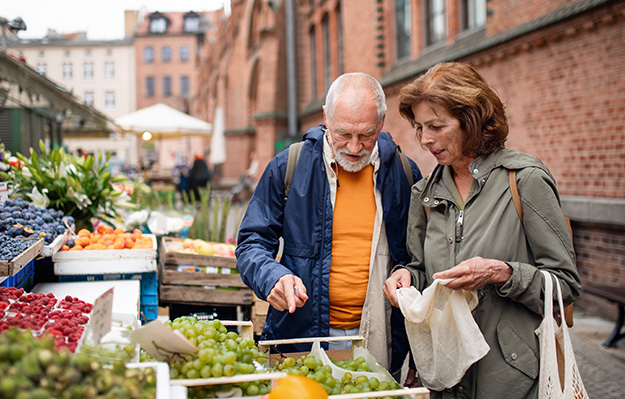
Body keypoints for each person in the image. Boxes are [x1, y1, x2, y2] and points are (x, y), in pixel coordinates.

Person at [382, 62, 582, 398]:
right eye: (419, 127)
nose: (425, 139)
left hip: (513, 381)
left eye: (436, 126)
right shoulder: (424, 194)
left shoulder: (525, 180)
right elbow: (423, 271)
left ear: (471, 120)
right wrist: (405, 278)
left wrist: (501, 273)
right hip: (447, 379)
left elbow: (565, 286)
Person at [236, 72, 422, 368]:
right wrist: (272, 276)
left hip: (382, 340)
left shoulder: (404, 173)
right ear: (325, 117)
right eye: (343, 134)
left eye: (366, 135)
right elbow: (251, 242)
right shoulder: (289, 166)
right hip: (301, 337)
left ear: (382, 123)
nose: (354, 147)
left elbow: (419, 257)